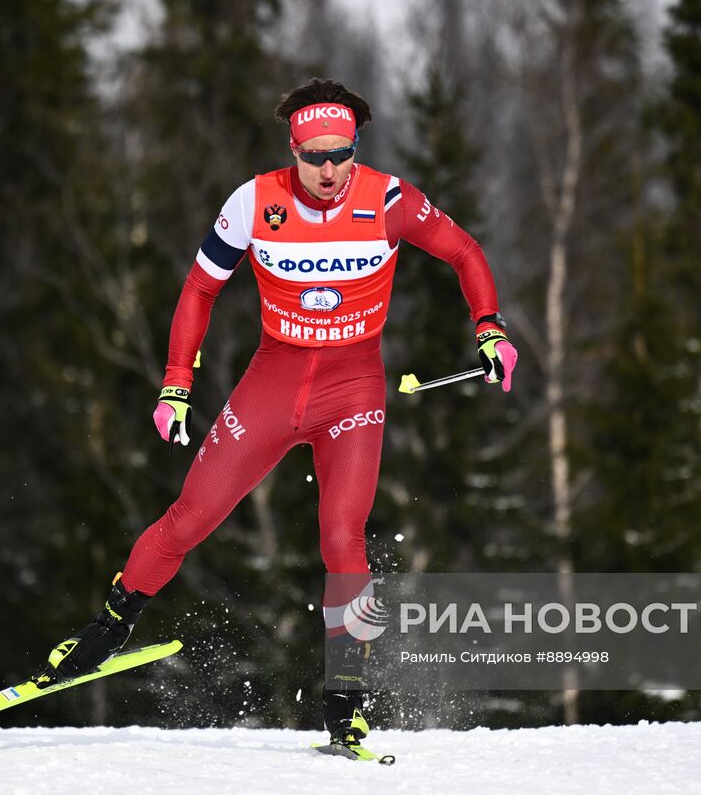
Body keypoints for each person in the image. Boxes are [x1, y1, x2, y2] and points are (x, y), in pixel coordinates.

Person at [35, 78, 517, 754]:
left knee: (343, 536)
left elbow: (465, 252)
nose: (328, 170)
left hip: (353, 388)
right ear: (292, 149)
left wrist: (489, 329)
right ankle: (108, 627)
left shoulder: (389, 199)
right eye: (313, 155)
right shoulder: (255, 202)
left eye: (340, 154)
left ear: (356, 147)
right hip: (274, 382)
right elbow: (202, 286)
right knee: (189, 520)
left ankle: (346, 699)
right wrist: (176, 384)